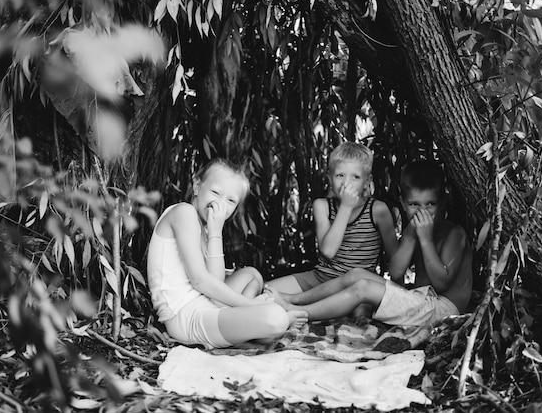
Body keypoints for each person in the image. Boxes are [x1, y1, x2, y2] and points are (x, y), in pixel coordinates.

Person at [266, 160, 473, 326]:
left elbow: (441, 284)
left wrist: (426, 240)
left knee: (363, 287)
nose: (422, 212)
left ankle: (299, 313)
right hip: (419, 300)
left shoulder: (454, 233)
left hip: (443, 310)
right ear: (403, 204)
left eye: (431, 204)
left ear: (443, 203)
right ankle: (294, 299)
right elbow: (397, 272)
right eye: (414, 205)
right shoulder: (414, 230)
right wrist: (410, 235)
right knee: (356, 274)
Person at [147, 159, 308, 349]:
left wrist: (215, 232)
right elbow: (201, 282)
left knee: (252, 275)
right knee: (277, 318)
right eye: (216, 192)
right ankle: (256, 326)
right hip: (186, 316)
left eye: (231, 200)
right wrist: (250, 306)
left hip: (205, 301)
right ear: (197, 186)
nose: (220, 204)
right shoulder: (184, 212)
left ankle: (249, 327)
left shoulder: (206, 227)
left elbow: (216, 280)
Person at [266, 142, 399, 294]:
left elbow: (396, 261)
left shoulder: (377, 210)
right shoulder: (322, 206)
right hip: (322, 278)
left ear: (367, 181)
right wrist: (346, 207)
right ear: (330, 178)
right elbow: (328, 251)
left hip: (357, 285)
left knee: (358, 310)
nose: (346, 183)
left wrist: (398, 298)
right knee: (267, 291)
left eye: (355, 177)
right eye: (340, 175)